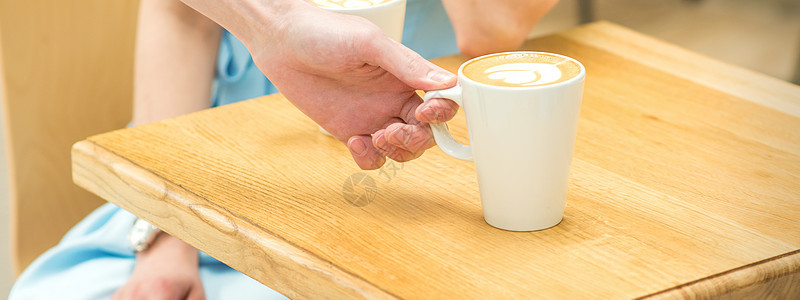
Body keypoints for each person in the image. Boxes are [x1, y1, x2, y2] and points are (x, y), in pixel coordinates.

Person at [9, 0, 558, 299]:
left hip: (409, 166)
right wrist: (166, 230)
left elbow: (490, 24)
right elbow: (177, 11)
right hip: (209, 160)